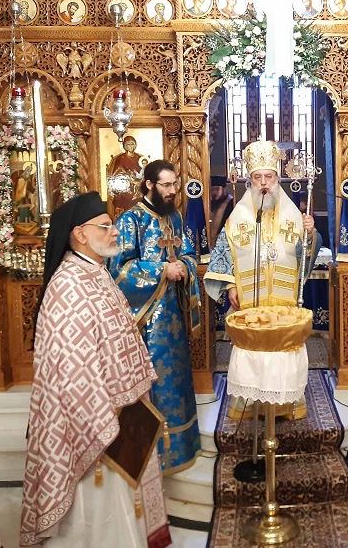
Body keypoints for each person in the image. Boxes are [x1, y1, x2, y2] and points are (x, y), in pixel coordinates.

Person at [20, 192, 170, 548]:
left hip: (125, 414)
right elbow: (69, 369)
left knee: (124, 509)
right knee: (101, 520)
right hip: (97, 426)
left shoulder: (96, 273)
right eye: (104, 226)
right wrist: (102, 420)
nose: (114, 231)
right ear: (80, 234)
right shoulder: (68, 286)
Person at [109, 160, 202, 474]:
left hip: (174, 314)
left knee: (177, 379)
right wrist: (162, 269)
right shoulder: (130, 220)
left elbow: (189, 254)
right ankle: (153, 456)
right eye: (166, 185)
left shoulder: (175, 217)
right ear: (149, 185)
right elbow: (118, 269)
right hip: (145, 322)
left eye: (174, 184)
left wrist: (184, 267)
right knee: (155, 382)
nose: (173, 190)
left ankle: (182, 448)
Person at [204, 140, 320, 312]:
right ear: (250, 180)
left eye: (269, 176)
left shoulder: (292, 214)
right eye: (257, 177)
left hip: (284, 300)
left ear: (277, 179)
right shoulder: (239, 215)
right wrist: (231, 285)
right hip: (247, 299)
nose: (264, 182)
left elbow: (304, 255)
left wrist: (309, 234)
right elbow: (225, 251)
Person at [106, 135, 145, 217]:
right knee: (126, 197)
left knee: (143, 195)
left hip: (139, 184)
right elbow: (117, 174)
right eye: (128, 144)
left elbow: (145, 171)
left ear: (135, 145)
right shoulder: (120, 158)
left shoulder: (140, 158)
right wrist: (130, 177)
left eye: (132, 144)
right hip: (126, 185)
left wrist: (140, 179)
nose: (130, 146)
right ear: (124, 146)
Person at [209, 175, 234, 250]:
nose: (214, 192)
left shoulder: (231, 203)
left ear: (224, 189)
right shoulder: (211, 203)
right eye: (212, 189)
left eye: (217, 189)